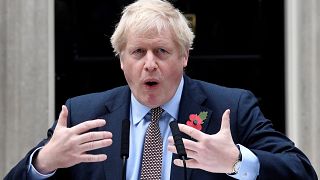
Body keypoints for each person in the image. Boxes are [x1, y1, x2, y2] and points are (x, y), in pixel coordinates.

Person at [5, 0, 318, 179]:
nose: (149, 64)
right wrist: (43, 163)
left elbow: (302, 173)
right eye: (138, 52)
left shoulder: (230, 107)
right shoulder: (84, 115)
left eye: (162, 52)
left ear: (184, 57)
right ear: (122, 61)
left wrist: (237, 161)